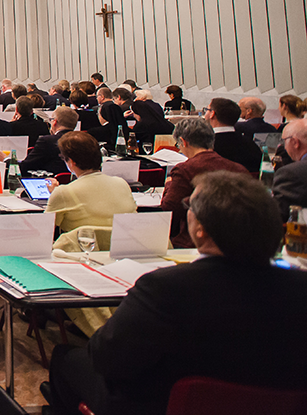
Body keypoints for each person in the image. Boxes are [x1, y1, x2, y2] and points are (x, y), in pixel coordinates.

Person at [44, 172, 307, 415]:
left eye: (189, 206)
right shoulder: (299, 288)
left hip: (157, 404)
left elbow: (106, 358)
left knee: (65, 358)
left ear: (201, 229)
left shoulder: (165, 288)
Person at [160, 116, 248, 247]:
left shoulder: (185, 170)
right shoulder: (238, 169)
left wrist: (169, 184)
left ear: (183, 142)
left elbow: (169, 209)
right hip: (234, 240)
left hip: (195, 240)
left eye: (178, 145)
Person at [43, 132, 136, 235]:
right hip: (122, 243)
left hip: (81, 244)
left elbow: (43, 230)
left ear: (72, 162)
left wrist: (55, 194)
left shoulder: (63, 192)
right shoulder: (122, 184)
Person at [15, 106, 78, 177]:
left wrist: (8, 161)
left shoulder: (46, 141)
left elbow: (25, 167)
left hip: (49, 181)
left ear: (54, 122)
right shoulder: (82, 140)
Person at [204, 97, 261, 172]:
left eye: (207, 110)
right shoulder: (251, 145)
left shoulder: (206, 145)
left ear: (212, 114)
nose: (205, 113)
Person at [272, 119, 307, 220]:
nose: (284, 147)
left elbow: (276, 217)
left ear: (295, 142)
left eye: (284, 141)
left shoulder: (291, 173)